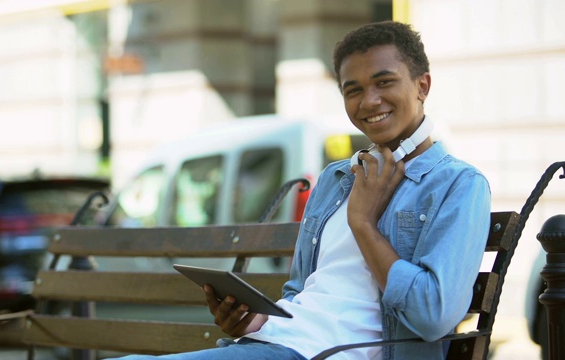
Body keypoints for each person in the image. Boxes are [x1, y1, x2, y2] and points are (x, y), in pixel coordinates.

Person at [109, 20, 491, 360]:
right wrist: (254, 321)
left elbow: (432, 317)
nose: (368, 101)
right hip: (282, 343)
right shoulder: (337, 178)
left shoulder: (458, 185)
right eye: (352, 89)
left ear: (422, 85)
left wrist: (363, 223)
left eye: (384, 82)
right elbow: (302, 293)